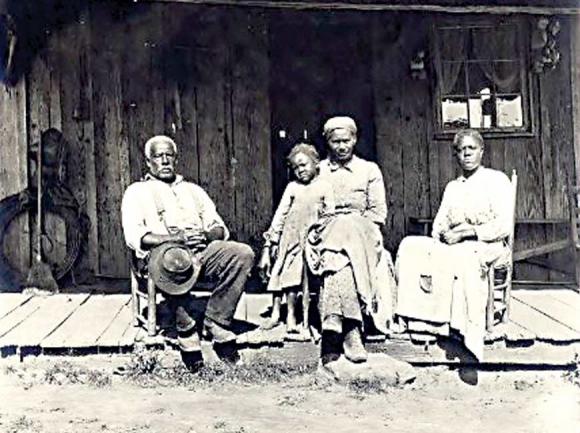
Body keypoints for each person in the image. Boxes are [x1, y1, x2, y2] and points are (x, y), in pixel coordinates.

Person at [121, 135, 254, 360]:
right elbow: (136, 237)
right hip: (163, 257)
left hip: (199, 251)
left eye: (168, 156)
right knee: (174, 258)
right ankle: (186, 326)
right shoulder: (137, 192)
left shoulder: (193, 190)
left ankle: (216, 320)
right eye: (158, 156)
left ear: (176, 159)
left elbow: (219, 227)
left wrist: (204, 235)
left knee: (242, 254)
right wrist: (175, 239)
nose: (164, 161)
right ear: (148, 162)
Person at [395, 130, 512, 360]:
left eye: (471, 148)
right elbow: (439, 224)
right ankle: (418, 318)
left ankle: (465, 329)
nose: (466, 154)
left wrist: (466, 233)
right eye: (461, 150)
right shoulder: (453, 187)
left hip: (488, 243)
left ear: (482, 151)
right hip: (455, 244)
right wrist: (444, 234)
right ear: (456, 155)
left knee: (466, 255)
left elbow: (503, 225)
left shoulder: (497, 180)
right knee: (410, 246)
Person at [305, 116, 396, 364]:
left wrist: (352, 225)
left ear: (354, 139)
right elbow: (309, 207)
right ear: (328, 143)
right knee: (338, 254)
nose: (342, 147)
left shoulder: (369, 170)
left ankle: (333, 323)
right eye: (336, 142)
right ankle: (352, 330)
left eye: (346, 141)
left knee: (343, 241)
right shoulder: (319, 171)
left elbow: (377, 213)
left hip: (363, 234)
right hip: (327, 234)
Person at [258, 143, 334, 338]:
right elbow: (280, 216)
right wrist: (273, 240)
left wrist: (321, 236)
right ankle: (277, 314)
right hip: (289, 239)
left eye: (303, 165)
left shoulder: (325, 187)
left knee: (297, 279)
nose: (300, 171)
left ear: (316, 163)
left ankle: (294, 316)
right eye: (295, 168)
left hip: (311, 241)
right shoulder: (292, 187)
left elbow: (330, 214)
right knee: (281, 274)